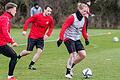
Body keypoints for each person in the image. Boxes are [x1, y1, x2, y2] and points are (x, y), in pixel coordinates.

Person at [57, 3, 90, 79]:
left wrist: (86, 39)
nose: (86, 13)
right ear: (80, 9)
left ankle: (70, 66)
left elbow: (84, 30)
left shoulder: (84, 19)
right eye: (84, 11)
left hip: (76, 38)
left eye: (87, 11)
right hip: (68, 38)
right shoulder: (72, 17)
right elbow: (64, 27)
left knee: (83, 55)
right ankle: (68, 72)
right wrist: (61, 38)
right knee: (73, 54)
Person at [17, 5, 54, 70]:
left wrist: (48, 34)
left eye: (50, 11)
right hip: (32, 37)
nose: (49, 12)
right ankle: (18, 56)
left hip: (41, 38)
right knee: (28, 51)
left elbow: (51, 27)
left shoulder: (50, 19)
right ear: (44, 10)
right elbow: (28, 21)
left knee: (39, 51)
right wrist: (24, 30)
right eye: (48, 11)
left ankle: (30, 65)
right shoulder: (37, 16)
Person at [0, 2, 18, 80]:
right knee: (14, 56)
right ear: (10, 10)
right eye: (15, 10)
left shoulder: (2, 17)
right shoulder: (5, 18)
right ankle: (10, 77)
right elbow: (5, 31)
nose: (16, 11)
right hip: (1, 44)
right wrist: (12, 41)